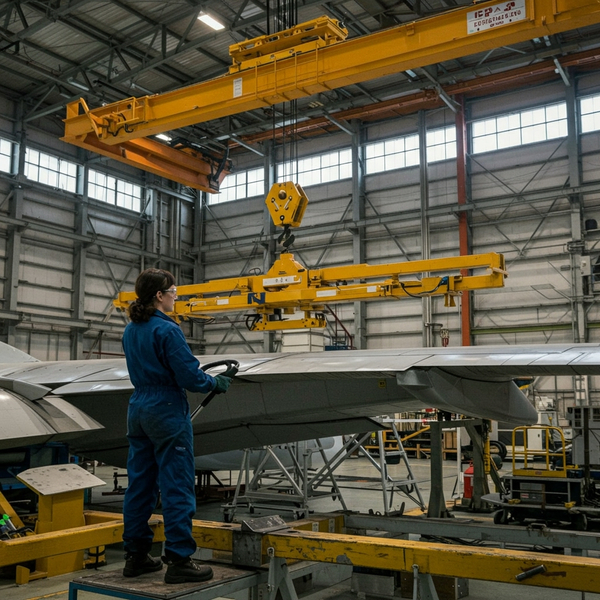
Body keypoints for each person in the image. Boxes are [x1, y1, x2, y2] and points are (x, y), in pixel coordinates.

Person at [120, 268, 231, 584]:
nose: (176, 296)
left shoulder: (131, 330)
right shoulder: (167, 331)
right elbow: (188, 376)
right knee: (177, 482)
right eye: (173, 291)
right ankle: (180, 560)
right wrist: (215, 382)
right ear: (159, 295)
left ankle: (137, 556)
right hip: (166, 410)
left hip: (138, 408)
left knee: (140, 483)